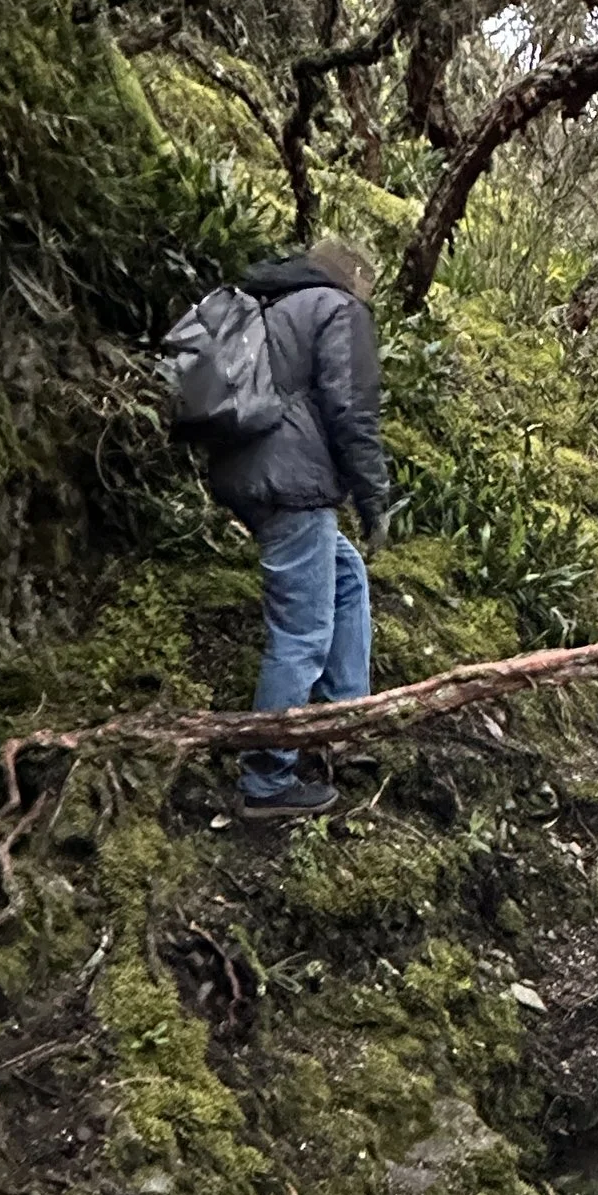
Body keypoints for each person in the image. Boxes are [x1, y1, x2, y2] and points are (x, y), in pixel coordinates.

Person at [200, 240, 389, 817]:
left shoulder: (270, 303)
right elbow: (351, 408)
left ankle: (342, 720)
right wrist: (373, 497)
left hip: (248, 474)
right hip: (290, 481)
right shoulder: (337, 309)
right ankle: (267, 778)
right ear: (354, 281)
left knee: (346, 576)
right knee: (303, 629)